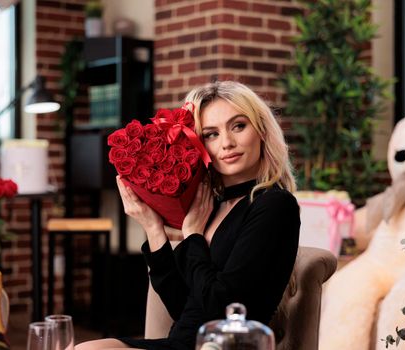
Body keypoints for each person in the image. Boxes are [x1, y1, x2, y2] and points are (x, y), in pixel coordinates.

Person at [76, 81, 300, 350]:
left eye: (238, 126)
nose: (227, 143)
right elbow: (182, 305)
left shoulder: (274, 205)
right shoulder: (213, 206)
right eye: (211, 134)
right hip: (183, 341)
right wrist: (153, 228)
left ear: (261, 131)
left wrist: (193, 236)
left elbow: (222, 308)